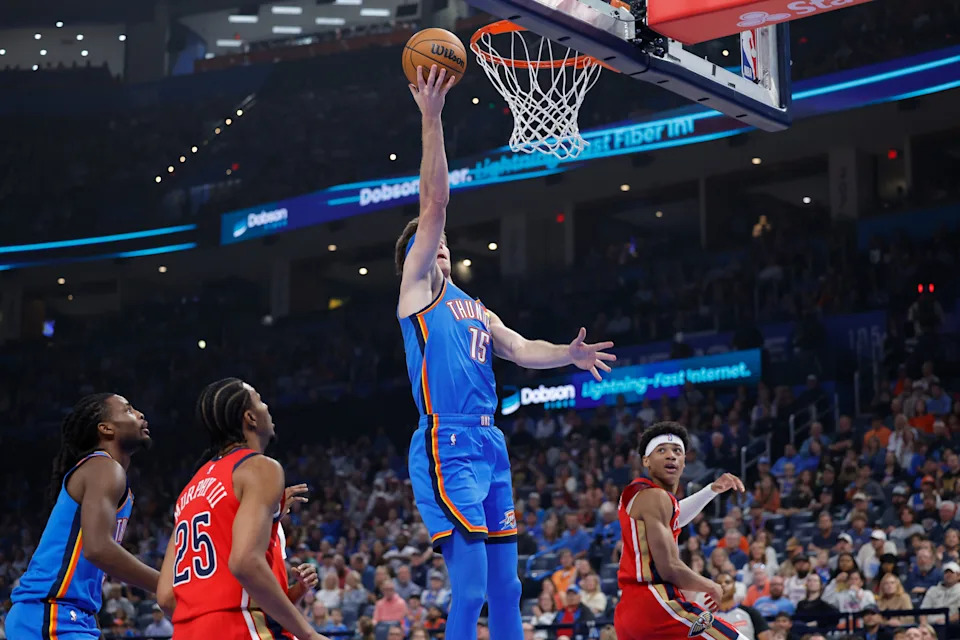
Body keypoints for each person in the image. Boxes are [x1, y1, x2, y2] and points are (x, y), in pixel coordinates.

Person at [397, 64, 616, 640]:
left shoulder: (473, 304)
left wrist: (567, 355)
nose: (440, 246)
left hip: (489, 441)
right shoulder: (417, 290)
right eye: (430, 242)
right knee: (469, 589)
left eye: (443, 245)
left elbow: (520, 349)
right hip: (446, 440)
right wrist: (432, 117)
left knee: (508, 588)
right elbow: (435, 200)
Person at [156, 378, 327, 640]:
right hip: (241, 628)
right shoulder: (260, 467)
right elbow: (245, 562)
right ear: (250, 418)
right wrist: (308, 634)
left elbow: (167, 596)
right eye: (259, 399)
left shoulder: (190, 489)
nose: (267, 406)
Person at [6, 394, 158, 640]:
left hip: (68, 615)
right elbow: (98, 549)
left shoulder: (111, 478)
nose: (140, 414)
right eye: (129, 410)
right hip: (51, 612)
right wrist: (166, 585)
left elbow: (102, 561)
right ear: (106, 428)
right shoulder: (104, 468)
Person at [613, 422, 747, 639]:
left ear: (684, 462)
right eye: (661, 450)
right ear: (646, 460)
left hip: (629, 612)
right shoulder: (656, 496)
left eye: (677, 451)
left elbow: (676, 516)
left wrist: (711, 490)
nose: (671, 456)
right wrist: (711, 585)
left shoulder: (642, 495)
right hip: (656, 605)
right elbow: (670, 568)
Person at [712, 572, 771, 640]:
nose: (723, 585)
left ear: (734, 586)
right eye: (719, 583)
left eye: (727, 582)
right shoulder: (709, 617)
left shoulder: (751, 613)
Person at [919, 561, 960, 625]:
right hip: (931, 624)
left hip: (953, 626)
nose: (948, 575)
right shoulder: (933, 590)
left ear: (958, 576)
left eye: (951, 572)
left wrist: (946, 620)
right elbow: (923, 610)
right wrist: (923, 625)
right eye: (946, 572)